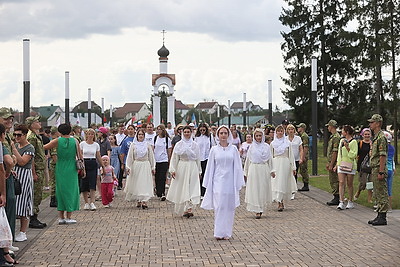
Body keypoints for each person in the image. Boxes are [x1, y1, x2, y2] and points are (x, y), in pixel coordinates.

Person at [201, 125, 245, 240]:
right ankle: (218, 232)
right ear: (218, 135)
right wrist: (208, 182)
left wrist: (238, 181)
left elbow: (238, 166)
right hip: (218, 181)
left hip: (230, 181)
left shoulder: (233, 149)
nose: (223, 135)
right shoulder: (214, 150)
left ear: (229, 134)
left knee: (229, 207)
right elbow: (210, 167)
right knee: (219, 205)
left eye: (225, 133)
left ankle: (227, 232)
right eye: (221, 133)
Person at [43, 124, 81, 224]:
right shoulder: (75, 141)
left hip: (60, 166)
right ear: (70, 131)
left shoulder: (57, 141)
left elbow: (44, 147)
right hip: (72, 167)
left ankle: (61, 217)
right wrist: (83, 169)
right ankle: (69, 216)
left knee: (60, 190)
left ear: (59, 132)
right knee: (71, 191)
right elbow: (80, 156)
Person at [167, 126, 201, 217]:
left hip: (192, 167)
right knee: (183, 187)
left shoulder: (195, 145)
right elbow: (174, 158)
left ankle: (189, 208)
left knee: (191, 187)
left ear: (191, 133)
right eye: (185, 132)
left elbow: (198, 158)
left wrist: (199, 171)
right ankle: (184, 208)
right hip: (182, 166)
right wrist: (173, 169)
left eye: (188, 132)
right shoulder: (179, 145)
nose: (187, 133)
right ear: (182, 133)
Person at [11, 125, 35, 242]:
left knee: (24, 202)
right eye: (15, 135)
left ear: (25, 135)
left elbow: (22, 162)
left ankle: (23, 231)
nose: (16, 137)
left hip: (24, 175)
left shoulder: (29, 148)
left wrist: (14, 150)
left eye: (19, 135)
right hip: (15, 174)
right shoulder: (16, 146)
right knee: (15, 202)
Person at [244, 129, 272, 219]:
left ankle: (261, 207)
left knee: (262, 188)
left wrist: (272, 170)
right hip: (254, 169)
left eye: (260, 136)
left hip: (263, 168)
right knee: (255, 188)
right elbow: (248, 160)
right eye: (257, 136)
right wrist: (246, 171)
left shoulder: (267, 147)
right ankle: (257, 209)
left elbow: (270, 159)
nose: (258, 137)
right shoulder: (252, 147)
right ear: (254, 137)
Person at [124, 129, 155, 209]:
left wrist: (153, 167)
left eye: (142, 134)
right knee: (137, 182)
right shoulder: (133, 145)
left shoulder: (147, 145)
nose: (140, 136)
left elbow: (151, 156)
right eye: (139, 134)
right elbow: (130, 157)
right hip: (136, 165)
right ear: (137, 136)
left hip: (145, 165)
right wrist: (128, 166)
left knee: (144, 182)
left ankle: (144, 200)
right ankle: (139, 199)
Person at [25, 116, 47, 229]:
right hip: (36, 169)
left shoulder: (36, 135)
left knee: (38, 194)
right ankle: (32, 218)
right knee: (36, 194)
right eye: (36, 121)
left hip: (40, 168)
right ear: (31, 124)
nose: (39, 123)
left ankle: (35, 216)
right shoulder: (32, 137)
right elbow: (31, 156)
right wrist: (33, 173)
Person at [367, 114, 389, 226]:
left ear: (378, 123)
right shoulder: (376, 137)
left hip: (378, 168)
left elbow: (382, 156)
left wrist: (381, 171)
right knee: (377, 191)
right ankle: (379, 214)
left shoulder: (381, 137)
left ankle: (383, 216)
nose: (370, 124)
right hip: (374, 168)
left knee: (381, 192)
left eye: (372, 122)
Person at [270, 125, 297, 211]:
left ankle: (282, 200)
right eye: (278, 131)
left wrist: (293, 167)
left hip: (285, 163)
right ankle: (279, 202)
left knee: (283, 181)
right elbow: (270, 155)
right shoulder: (273, 144)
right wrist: (270, 168)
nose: (280, 133)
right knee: (277, 182)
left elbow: (291, 155)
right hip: (276, 163)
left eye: (281, 131)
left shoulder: (287, 143)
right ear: (276, 132)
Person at [79, 128, 105, 211]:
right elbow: (80, 155)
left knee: (92, 182)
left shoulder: (96, 145)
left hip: (93, 163)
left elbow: (98, 156)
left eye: (92, 134)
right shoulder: (82, 144)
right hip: (84, 163)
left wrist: (103, 166)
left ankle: (92, 202)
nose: (90, 136)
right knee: (84, 183)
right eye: (89, 134)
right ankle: (86, 202)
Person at [335, 125, 358, 210]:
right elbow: (339, 153)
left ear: (347, 132)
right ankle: (341, 201)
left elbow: (354, 155)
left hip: (350, 165)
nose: (342, 132)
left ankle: (350, 201)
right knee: (341, 182)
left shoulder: (354, 142)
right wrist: (337, 164)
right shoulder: (341, 140)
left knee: (349, 183)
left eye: (343, 131)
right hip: (341, 164)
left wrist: (348, 148)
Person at [153, 124, 172, 201]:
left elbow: (169, 150)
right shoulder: (155, 138)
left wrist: (169, 160)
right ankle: (158, 190)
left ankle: (163, 192)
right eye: (157, 129)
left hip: (164, 160)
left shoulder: (167, 139)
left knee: (162, 176)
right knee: (157, 176)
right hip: (156, 160)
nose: (158, 131)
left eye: (160, 129)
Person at [354, 128, 372, 202]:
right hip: (362, 166)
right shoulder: (360, 143)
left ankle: (369, 198)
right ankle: (358, 191)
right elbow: (357, 154)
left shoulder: (373, 143)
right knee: (363, 183)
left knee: (370, 182)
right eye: (365, 134)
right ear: (363, 135)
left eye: (368, 134)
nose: (367, 136)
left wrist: (371, 147)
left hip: (371, 165)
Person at [325, 120, 340, 206]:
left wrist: (332, 164)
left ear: (331, 126)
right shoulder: (333, 137)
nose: (328, 128)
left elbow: (335, 151)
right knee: (332, 179)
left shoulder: (336, 137)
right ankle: (335, 195)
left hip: (334, 162)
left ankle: (337, 196)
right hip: (331, 161)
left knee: (334, 179)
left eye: (328, 126)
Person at [194, 123, 211, 197]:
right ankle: (198, 191)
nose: (202, 131)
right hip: (199, 158)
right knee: (198, 175)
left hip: (207, 158)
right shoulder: (196, 137)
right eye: (201, 130)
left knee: (205, 175)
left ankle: (204, 192)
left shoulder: (209, 137)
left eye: (204, 130)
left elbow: (212, 146)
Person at [286, 124, 302, 199]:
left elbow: (301, 149)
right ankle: (288, 189)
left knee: (294, 174)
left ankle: (293, 191)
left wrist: (301, 158)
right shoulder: (285, 139)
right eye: (289, 129)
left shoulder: (298, 138)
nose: (290, 131)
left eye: (292, 129)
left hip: (296, 159)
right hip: (287, 160)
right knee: (287, 174)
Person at [119, 125, 135, 190]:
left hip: (136, 160)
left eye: (132, 129)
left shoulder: (137, 139)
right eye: (129, 129)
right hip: (128, 160)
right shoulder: (125, 140)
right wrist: (122, 163)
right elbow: (122, 153)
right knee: (129, 176)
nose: (130, 130)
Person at [383, 131, 395, 212]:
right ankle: (390, 207)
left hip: (385, 169)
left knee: (383, 189)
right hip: (391, 169)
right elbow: (392, 159)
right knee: (389, 189)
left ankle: (383, 206)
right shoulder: (392, 148)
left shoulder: (384, 148)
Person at [296, 123, 310, 191]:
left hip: (304, 155)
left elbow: (305, 147)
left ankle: (306, 184)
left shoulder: (304, 136)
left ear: (302, 128)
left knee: (303, 170)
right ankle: (305, 184)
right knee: (302, 170)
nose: (298, 128)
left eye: (299, 127)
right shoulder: (301, 135)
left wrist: (303, 156)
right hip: (301, 155)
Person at [48, 126, 59, 208]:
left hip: (53, 164)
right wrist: (58, 165)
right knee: (54, 182)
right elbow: (54, 155)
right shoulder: (54, 142)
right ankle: (53, 200)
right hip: (55, 165)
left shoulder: (52, 141)